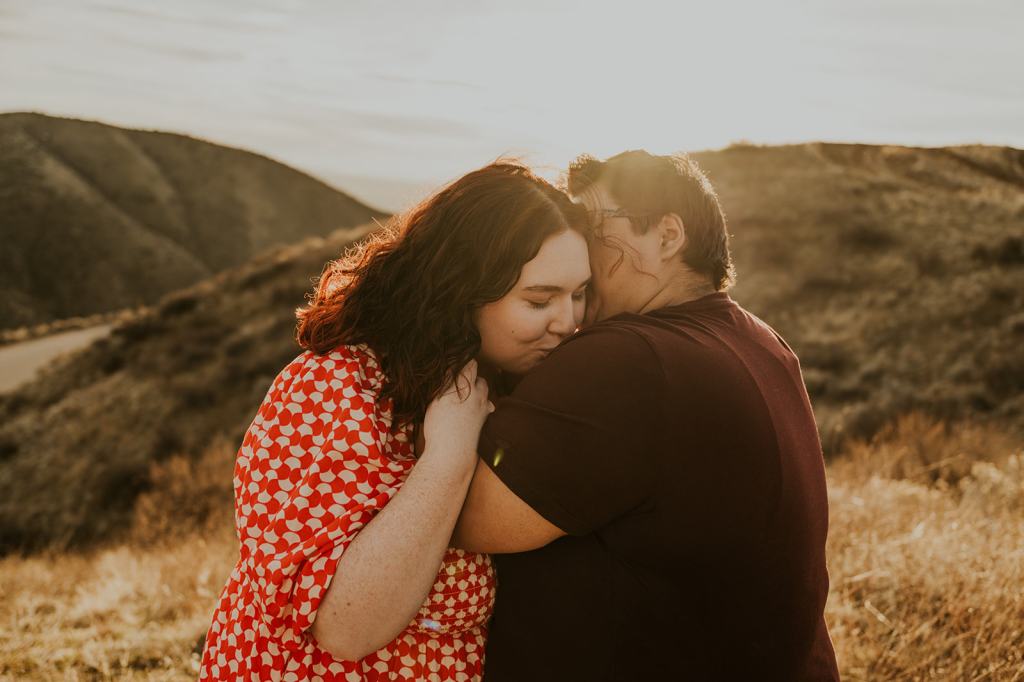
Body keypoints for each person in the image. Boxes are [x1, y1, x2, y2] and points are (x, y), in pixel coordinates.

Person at [453, 151, 841, 680]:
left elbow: (468, 518)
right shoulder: (759, 339)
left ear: (666, 236)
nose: (573, 241)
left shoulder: (631, 359)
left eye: (592, 224)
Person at [199, 161, 592, 681]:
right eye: (539, 300)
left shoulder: (511, 383)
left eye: (580, 293)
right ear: (462, 290)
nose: (569, 322)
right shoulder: (334, 387)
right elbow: (346, 628)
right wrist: (448, 459)